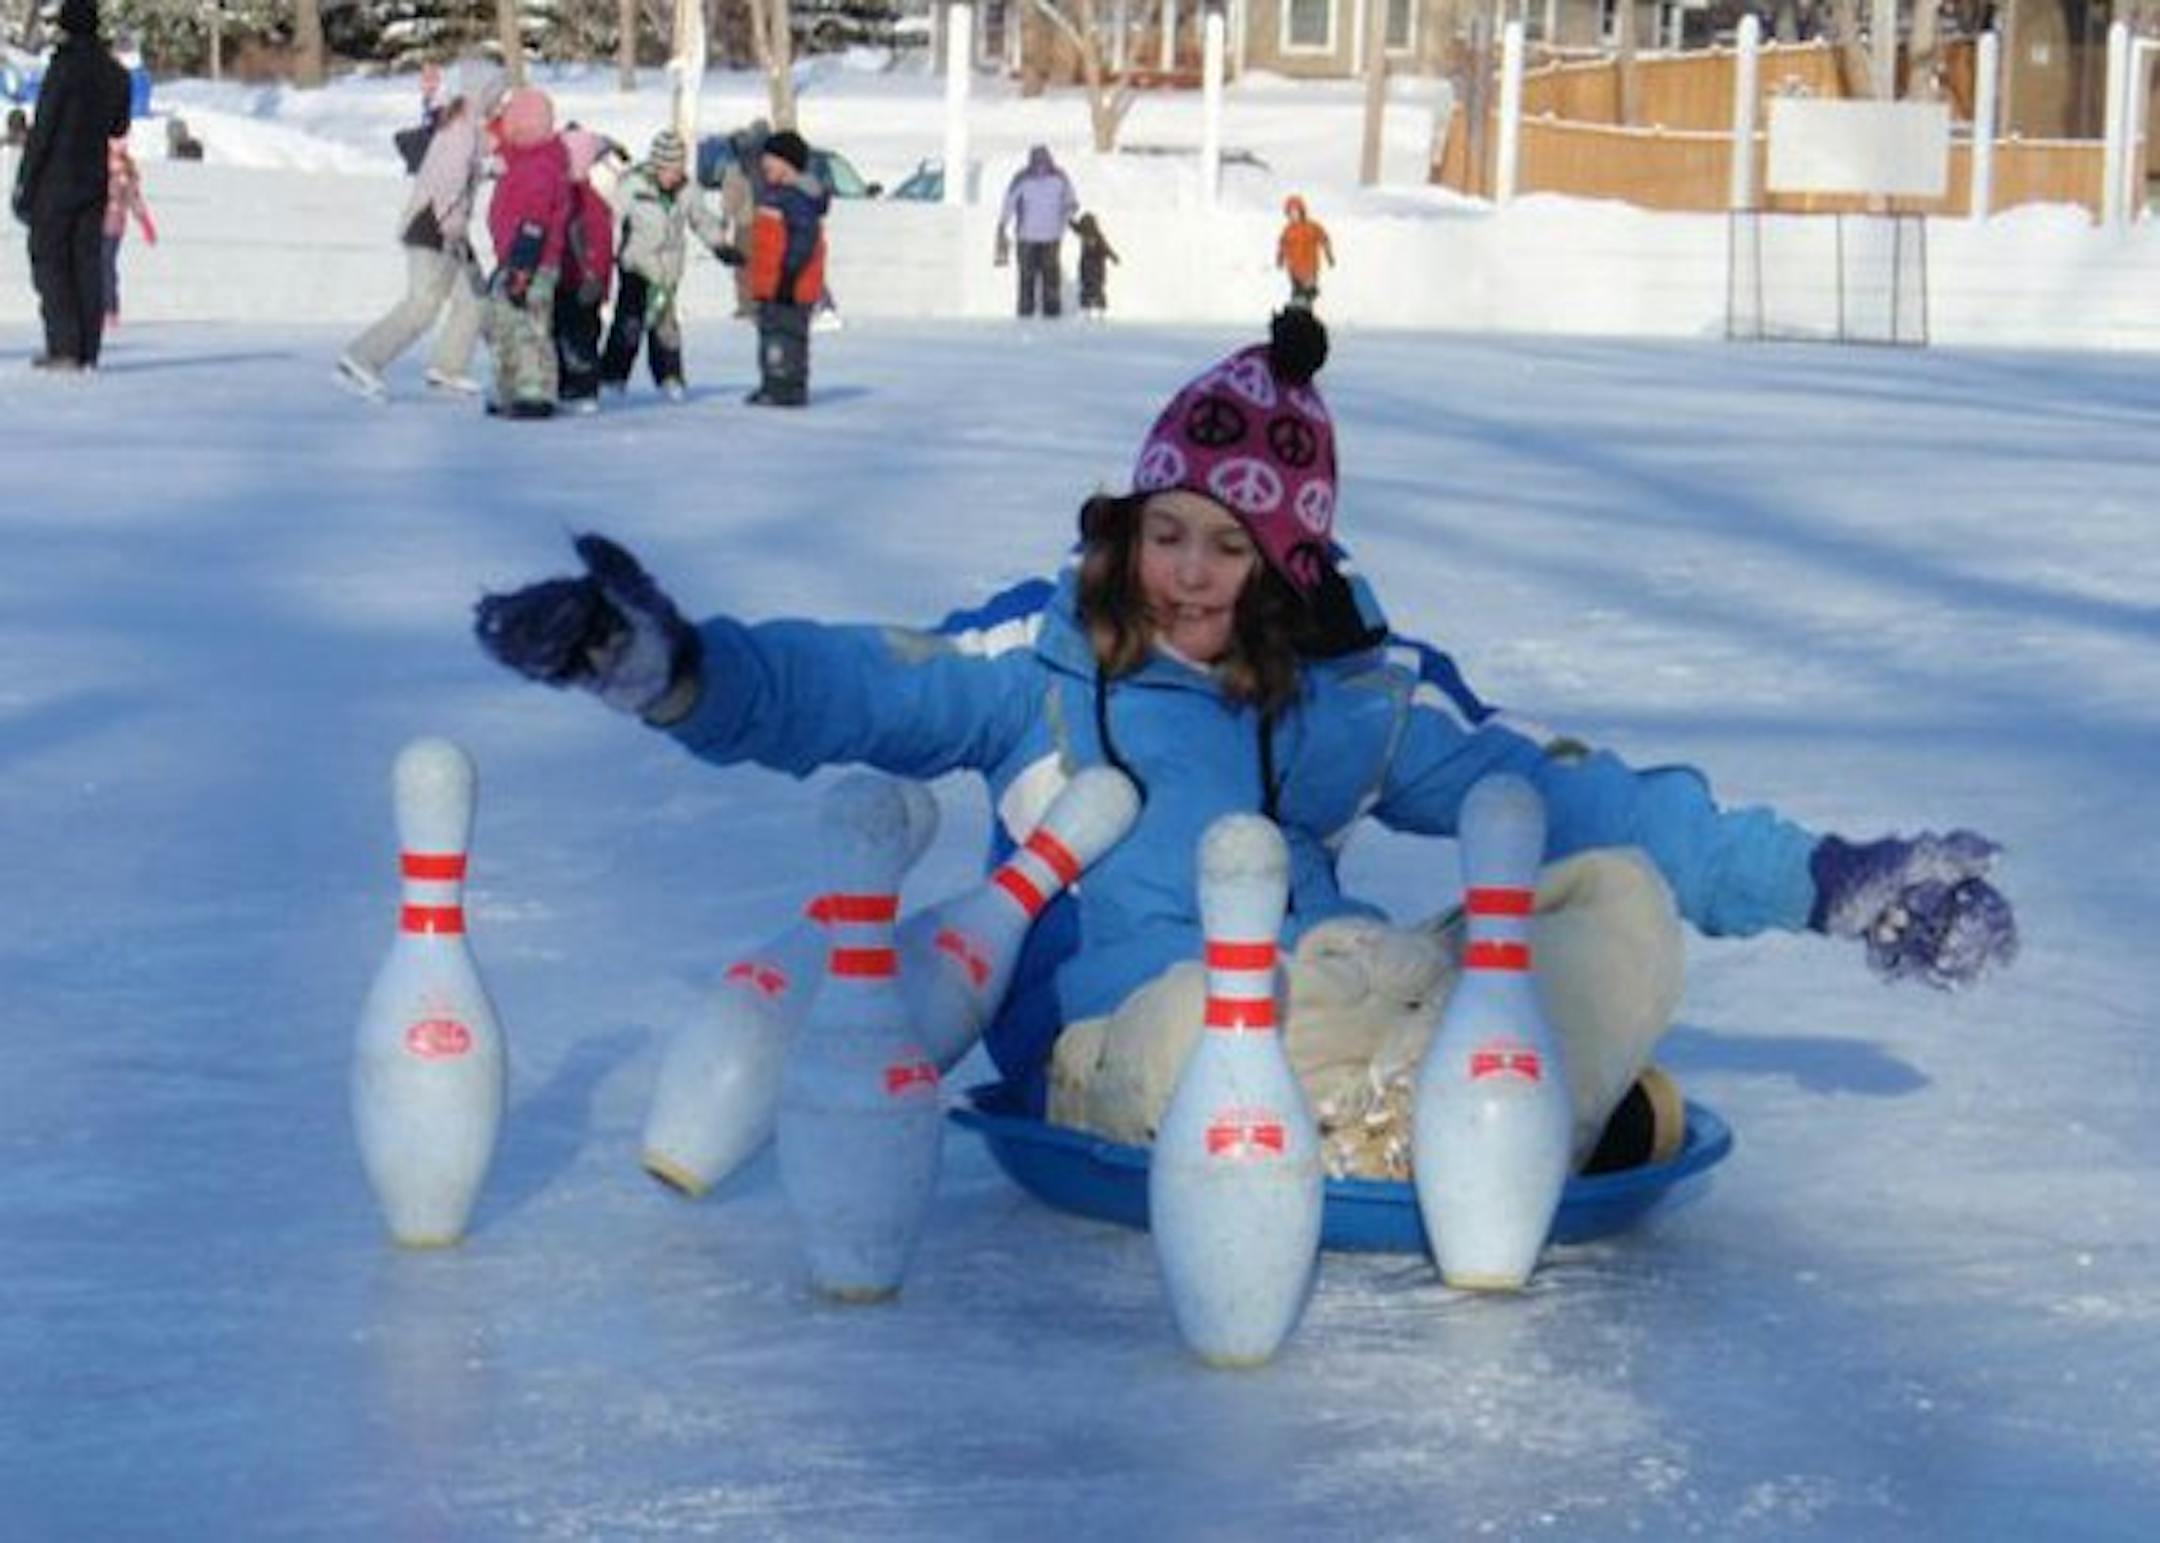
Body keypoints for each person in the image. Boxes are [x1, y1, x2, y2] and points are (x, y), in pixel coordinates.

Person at [469, 310, 2018, 1164]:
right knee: (1227, 1037)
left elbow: (1573, 794)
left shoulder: (1352, 693)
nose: (1189, 572)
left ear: (1289, 563)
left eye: (1228, 543)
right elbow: (845, 690)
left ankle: (1460, 1099)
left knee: (1605, 905)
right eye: (1167, 530)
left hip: (1331, 987)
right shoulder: (1039, 667)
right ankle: (1491, 1108)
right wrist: (662, 667)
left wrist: (1827, 875)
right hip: (1122, 1046)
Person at [337, 59, 506, 401]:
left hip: (448, 229)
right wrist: (448, 223)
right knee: (423, 303)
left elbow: (466, 167)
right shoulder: (461, 130)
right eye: (496, 94)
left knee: (473, 300)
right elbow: (446, 181)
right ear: (481, 92)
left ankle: (448, 368)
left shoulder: (466, 126)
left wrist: (492, 168)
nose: (498, 101)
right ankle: (361, 359)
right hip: (433, 227)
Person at [10, 0, 130, 373]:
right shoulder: (116, 74)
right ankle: (87, 350)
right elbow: (118, 127)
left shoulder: (63, 68)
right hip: (93, 179)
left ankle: (63, 345)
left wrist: (25, 182)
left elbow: (43, 130)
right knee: (87, 263)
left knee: (51, 262)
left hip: (55, 181)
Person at [599, 128, 730, 403]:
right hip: (636, 265)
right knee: (628, 323)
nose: (673, 175)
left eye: (678, 168)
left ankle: (670, 377)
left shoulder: (687, 190)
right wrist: (598, 254)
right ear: (656, 165)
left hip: (668, 270)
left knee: (665, 326)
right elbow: (608, 220)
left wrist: (719, 245)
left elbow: (700, 219)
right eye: (668, 169)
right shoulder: (633, 186)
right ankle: (612, 377)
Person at [480, 86, 571, 420]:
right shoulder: (521, 156)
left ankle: (535, 390)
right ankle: (509, 386)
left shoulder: (540, 166)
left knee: (530, 325)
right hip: (511, 257)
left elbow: (535, 220)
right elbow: (492, 137)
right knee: (502, 322)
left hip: (534, 260)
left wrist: (522, 268)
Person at [743, 128, 828, 408]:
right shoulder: (776, 194)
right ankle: (772, 383)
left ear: (788, 164)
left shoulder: (796, 198)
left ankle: (787, 389)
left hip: (790, 284)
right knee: (770, 335)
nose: (765, 164)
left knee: (786, 337)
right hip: (772, 283)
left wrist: (789, 275)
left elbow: (804, 239)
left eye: (771, 159)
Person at [553, 128, 616, 415]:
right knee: (568, 334)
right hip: (564, 279)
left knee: (579, 336)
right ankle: (569, 384)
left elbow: (601, 247)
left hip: (580, 282)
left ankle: (582, 387)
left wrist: (598, 281)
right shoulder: (573, 197)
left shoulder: (588, 202)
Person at [995, 144, 1077, 319]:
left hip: (1027, 237)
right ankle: (1052, 313)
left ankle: (1026, 313)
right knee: (1050, 278)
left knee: (1027, 279)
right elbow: (1071, 203)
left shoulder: (1021, 178)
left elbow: (1008, 203)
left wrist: (1002, 224)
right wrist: (1065, 219)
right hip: (1051, 236)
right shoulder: (1060, 177)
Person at [716, 117, 769, 319]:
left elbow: (732, 195)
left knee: (743, 265)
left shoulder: (738, 166)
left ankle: (746, 304)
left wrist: (725, 217)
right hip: (767, 220)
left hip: (745, 221)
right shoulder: (770, 162)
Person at [99, 131, 153, 328]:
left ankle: (110, 309)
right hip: (92, 225)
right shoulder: (94, 164)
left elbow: (134, 199)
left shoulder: (125, 172)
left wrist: (145, 223)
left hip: (112, 225)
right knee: (92, 266)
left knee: (105, 266)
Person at [1276, 195, 1334, 311]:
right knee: (1297, 294)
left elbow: (1324, 239)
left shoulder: (1312, 227)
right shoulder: (1287, 230)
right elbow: (1282, 246)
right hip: (1294, 269)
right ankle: (1297, 314)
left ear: (1302, 211)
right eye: (1290, 213)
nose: (1293, 215)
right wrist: (1280, 259)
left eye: (1295, 212)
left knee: (1307, 292)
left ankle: (1307, 308)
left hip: (1310, 267)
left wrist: (1329, 255)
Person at [1071, 210, 1117, 319]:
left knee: (1097, 289)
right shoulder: (1083, 233)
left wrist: (1113, 257)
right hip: (1086, 268)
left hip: (1097, 269)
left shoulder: (1098, 236)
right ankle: (1086, 308)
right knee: (1086, 288)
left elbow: (1106, 248)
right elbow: (1075, 228)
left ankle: (1100, 308)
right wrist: (1068, 219)